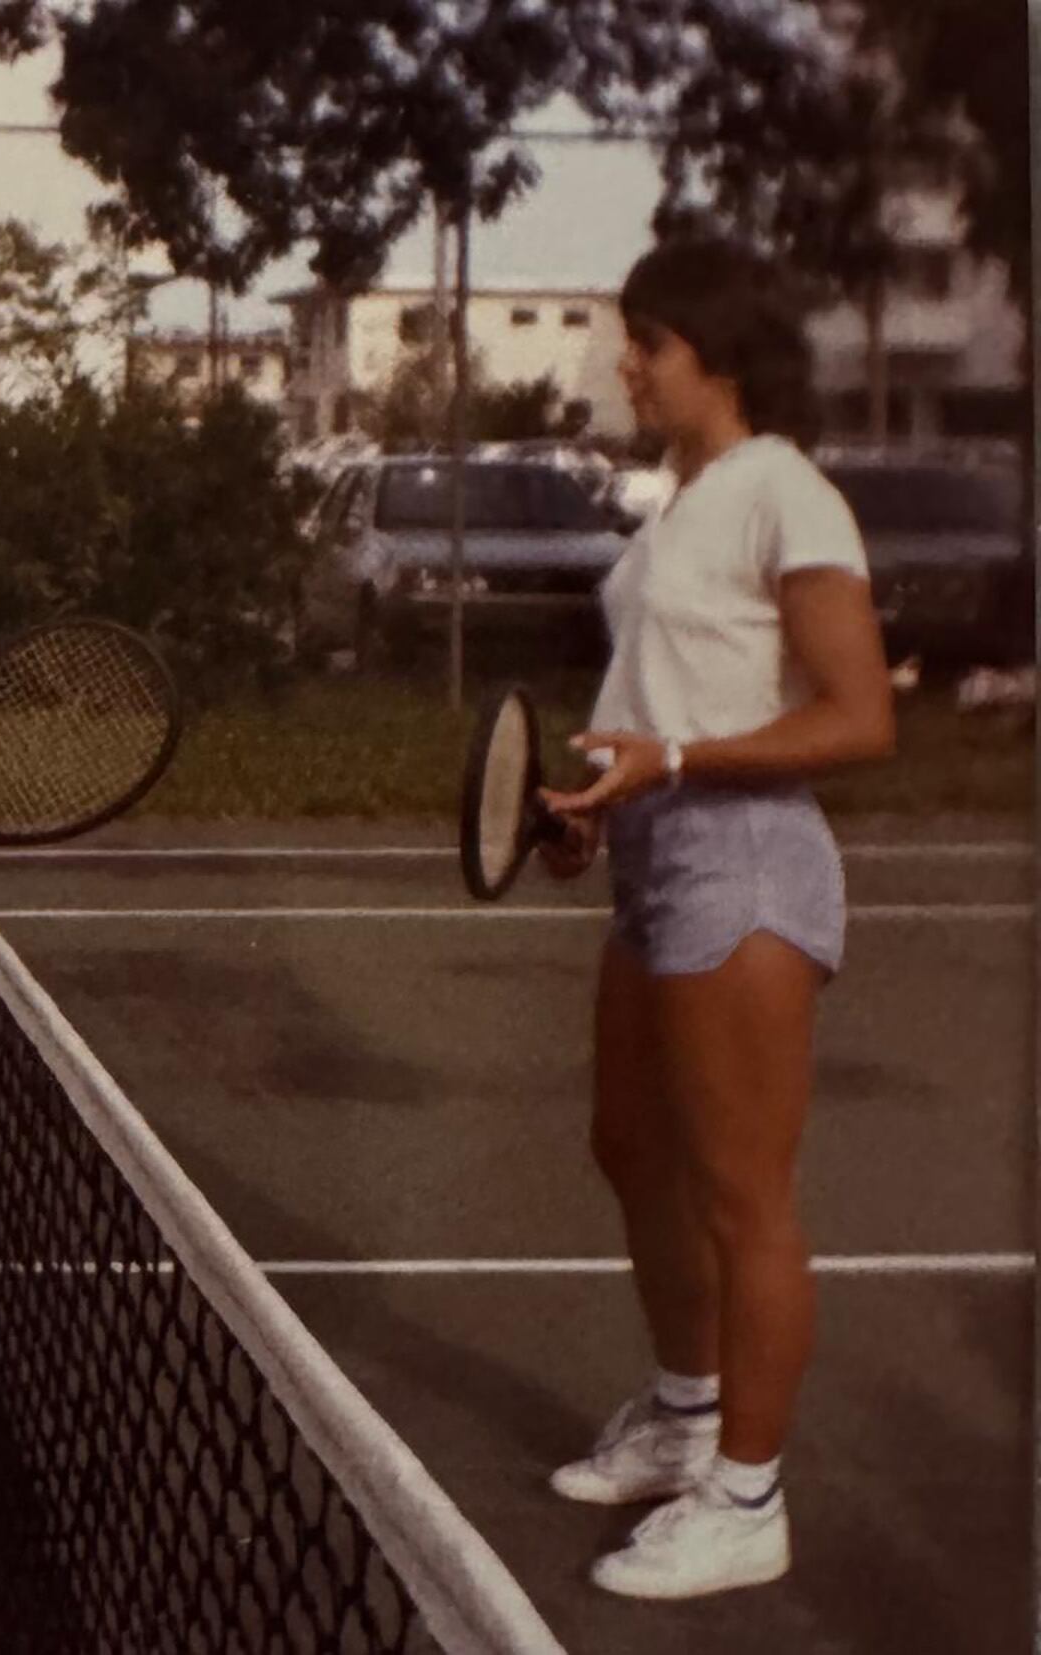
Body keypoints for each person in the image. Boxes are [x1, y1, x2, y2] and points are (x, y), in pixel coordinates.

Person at [536, 236, 895, 1600]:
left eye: (652, 342)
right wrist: (599, 797)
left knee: (746, 1195)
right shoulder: (676, 501)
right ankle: (689, 1421)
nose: (626, 360)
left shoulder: (781, 490)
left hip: (745, 857)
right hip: (654, 849)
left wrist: (672, 765)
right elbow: (664, 699)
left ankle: (747, 1500)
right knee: (630, 1146)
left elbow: (858, 720)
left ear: (721, 360)